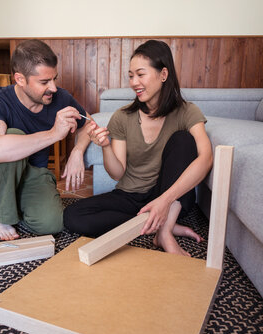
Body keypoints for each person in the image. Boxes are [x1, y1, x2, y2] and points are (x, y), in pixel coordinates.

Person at [64, 40, 213, 256]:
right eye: (131, 75)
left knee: (184, 140)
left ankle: (164, 227)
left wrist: (164, 201)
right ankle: (160, 225)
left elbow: (206, 158)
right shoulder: (122, 117)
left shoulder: (187, 112)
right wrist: (106, 146)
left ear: (163, 74)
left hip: (171, 198)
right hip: (130, 196)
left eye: (140, 74)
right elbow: (117, 173)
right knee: (72, 216)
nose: (134, 82)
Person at [0, 39, 91, 240]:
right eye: (44, 82)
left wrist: (77, 151)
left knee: (51, 223)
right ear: (20, 79)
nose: (53, 88)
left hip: (34, 174)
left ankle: (5, 202)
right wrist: (54, 134)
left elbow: (88, 123)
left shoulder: (60, 98)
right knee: (13, 137)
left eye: (54, 78)